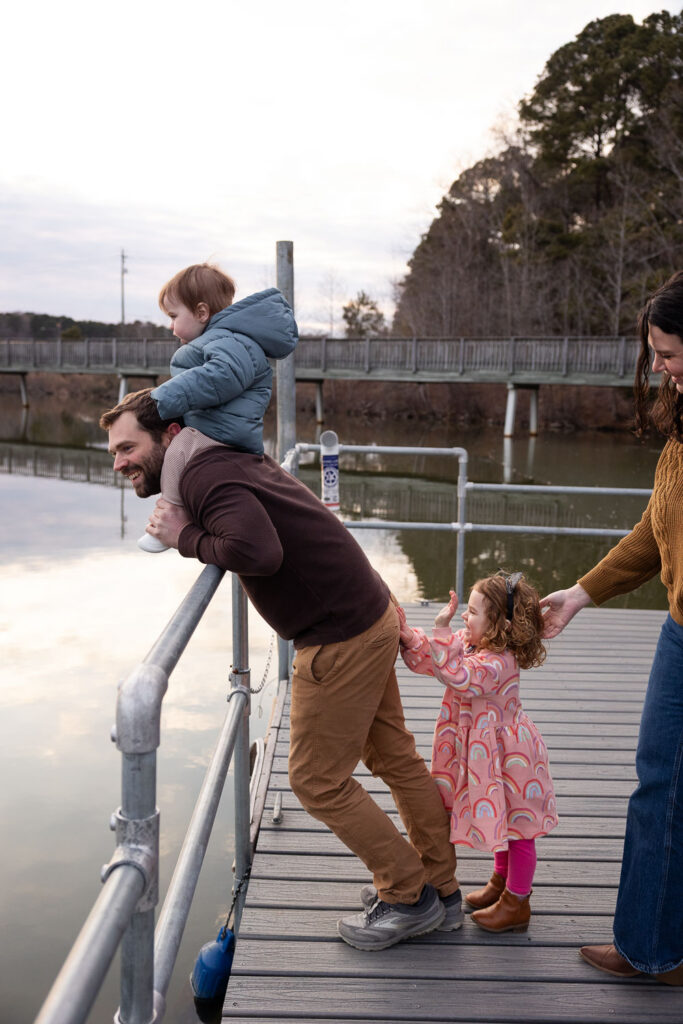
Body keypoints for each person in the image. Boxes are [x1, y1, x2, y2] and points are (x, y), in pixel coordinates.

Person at [99, 388, 462, 951]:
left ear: (168, 434)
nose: (118, 461)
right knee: (394, 757)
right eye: (114, 452)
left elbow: (259, 551)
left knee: (316, 781)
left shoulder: (202, 474)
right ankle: (443, 889)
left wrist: (184, 537)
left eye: (127, 447)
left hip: (338, 634)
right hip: (365, 611)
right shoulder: (220, 454)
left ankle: (410, 896)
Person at [541, 269, 683, 986]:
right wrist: (580, 592)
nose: (658, 367)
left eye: (668, 353)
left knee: (663, 792)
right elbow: (656, 531)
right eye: (655, 353)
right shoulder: (682, 434)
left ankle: (654, 953)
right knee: (660, 787)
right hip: (677, 631)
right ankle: (657, 943)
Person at [396, 573, 557, 933]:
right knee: (503, 818)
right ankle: (501, 883)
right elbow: (433, 660)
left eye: (471, 612)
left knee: (519, 828)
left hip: (509, 757)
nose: (464, 619)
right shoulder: (473, 646)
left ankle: (518, 902)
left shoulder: (496, 662)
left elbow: (458, 675)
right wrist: (410, 636)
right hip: (489, 754)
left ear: (499, 624)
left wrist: (440, 628)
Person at [137, 262, 298, 553]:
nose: (172, 328)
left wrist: (161, 398)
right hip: (219, 427)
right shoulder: (225, 338)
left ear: (201, 312)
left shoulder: (230, 340)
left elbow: (223, 377)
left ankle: (172, 514)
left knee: (178, 449)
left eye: (174, 316)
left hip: (224, 432)